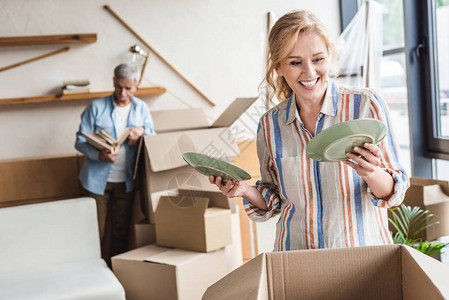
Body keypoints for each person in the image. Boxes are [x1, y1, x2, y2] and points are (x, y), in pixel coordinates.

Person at [210, 10, 409, 251]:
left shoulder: (366, 105)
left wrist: (370, 172)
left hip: (362, 258)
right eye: (295, 62)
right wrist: (245, 190)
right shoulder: (270, 125)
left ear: (329, 58)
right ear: (279, 67)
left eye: (318, 59)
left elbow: (394, 193)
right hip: (296, 259)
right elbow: (273, 199)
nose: (310, 72)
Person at [75, 63, 155, 265]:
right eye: (119, 86)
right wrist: (98, 155)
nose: (122, 92)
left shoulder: (142, 109)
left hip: (126, 182)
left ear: (136, 86)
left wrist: (142, 133)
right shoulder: (96, 107)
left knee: (120, 234)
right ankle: (93, 276)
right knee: (93, 235)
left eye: (128, 88)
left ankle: (114, 276)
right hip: (95, 182)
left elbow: (154, 140)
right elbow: (79, 141)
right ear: (113, 81)